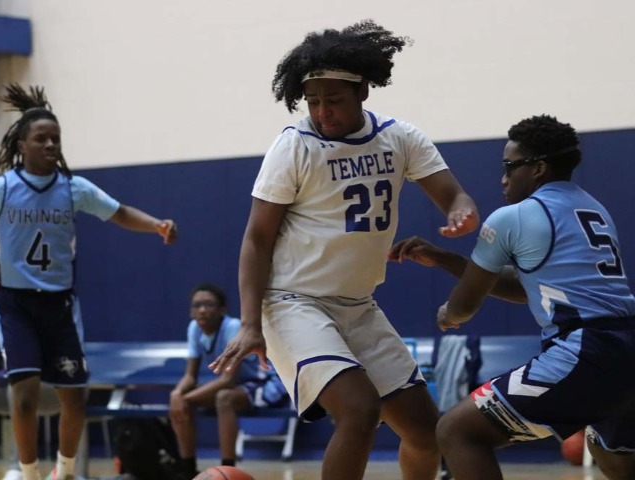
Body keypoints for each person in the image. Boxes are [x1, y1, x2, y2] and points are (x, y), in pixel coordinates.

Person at [209, 20, 479, 480]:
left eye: (333, 100)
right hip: (293, 302)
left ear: (363, 90)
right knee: (359, 408)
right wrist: (251, 323)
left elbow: (454, 195)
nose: (322, 112)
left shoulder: (400, 137)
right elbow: (256, 239)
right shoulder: (294, 146)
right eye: (312, 101)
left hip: (357, 305)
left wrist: (461, 211)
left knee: (425, 432)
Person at [388, 114, 635, 480]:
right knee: (614, 456)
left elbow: (464, 306)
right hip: (626, 346)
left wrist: (448, 314)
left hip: (587, 350)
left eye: (509, 167)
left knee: (456, 431)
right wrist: (443, 258)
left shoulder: (512, 217)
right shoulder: (591, 207)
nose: (503, 178)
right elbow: (525, 288)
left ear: (538, 168)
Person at [0, 84, 178, 480]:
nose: (50, 144)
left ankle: (64, 471)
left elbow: (119, 212)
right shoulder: (3, 189)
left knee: (74, 398)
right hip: (16, 304)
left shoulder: (72, 189)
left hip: (59, 304)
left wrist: (156, 225)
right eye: (41, 139)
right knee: (23, 396)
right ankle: (29, 473)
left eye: (55, 138)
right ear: (22, 145)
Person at [169, 283, 289, 480]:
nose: (202, 310)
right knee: (179, 403)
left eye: (208, 304)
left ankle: (228, 469)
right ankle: (187, 469)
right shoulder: (194, 328)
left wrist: (186, 399)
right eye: (197, 305)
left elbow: (228, 380)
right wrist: (177, 394)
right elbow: (190, 376)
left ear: (222, 309)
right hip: (240, 385)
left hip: (266, 383)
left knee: (224, 398)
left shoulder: (232, 327)